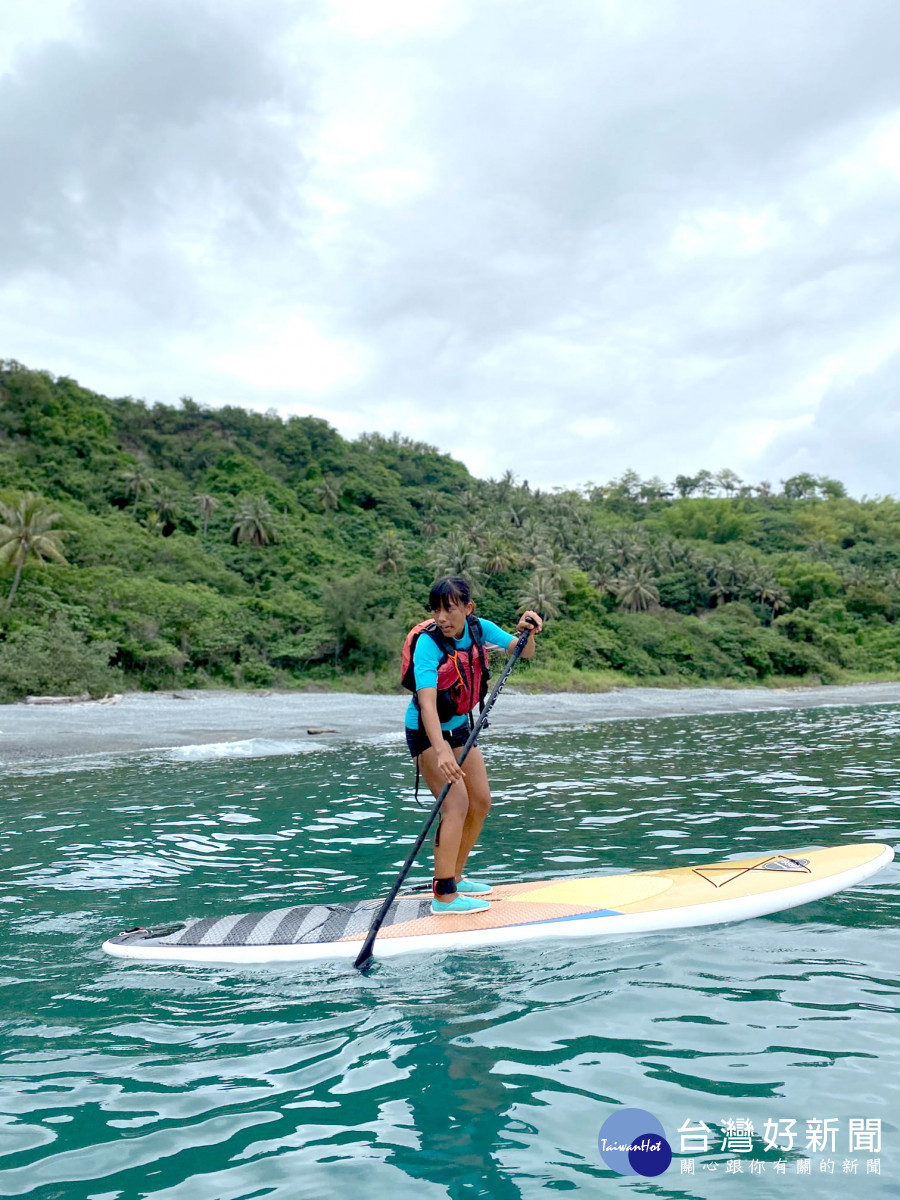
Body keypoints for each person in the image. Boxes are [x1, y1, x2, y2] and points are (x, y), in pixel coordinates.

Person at [404, 576, 542, 915]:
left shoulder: (480, 630)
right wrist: (439, 751)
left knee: (480, 802)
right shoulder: (428, 644)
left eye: (449, 610)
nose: (441, 618)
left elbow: (524, 651)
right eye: (436, 610)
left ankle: (456, 875)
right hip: (426, 732)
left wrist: (528, 630)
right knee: (456, 804)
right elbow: (426, 704)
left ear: (468, 608)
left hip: (462, 729)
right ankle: (444, 896)